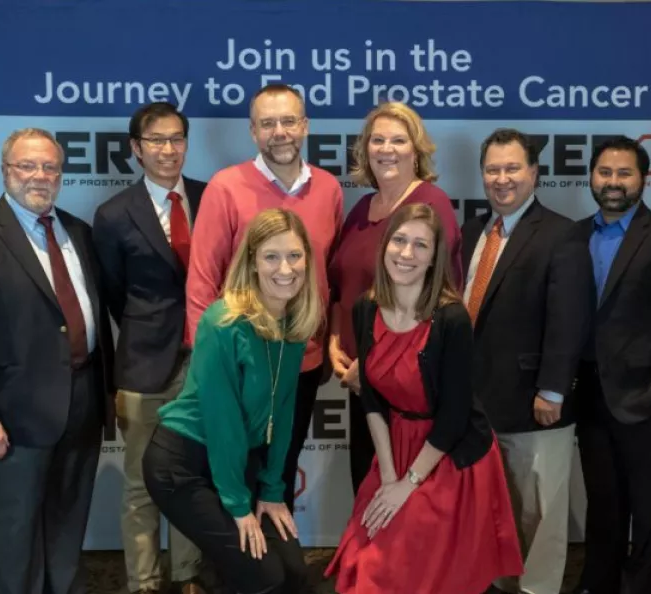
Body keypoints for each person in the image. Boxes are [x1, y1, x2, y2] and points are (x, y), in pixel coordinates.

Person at [0, 128, 114, 594]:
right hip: (10, 419)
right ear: (5, 172)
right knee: (13, 536)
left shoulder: (79, 232)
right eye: (27, 166)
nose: (39, 176)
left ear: (60, 174)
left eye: (49, 167)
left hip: (83, 404)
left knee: (68, 524)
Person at [324, 203, 523, 594]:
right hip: (394, 447)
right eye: (399, 240)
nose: (406, 253)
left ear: (435, 258)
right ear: (384, 246)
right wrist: (387, 476)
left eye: (420, 245)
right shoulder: (366, 308)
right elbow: (372, 400)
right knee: (365, 557)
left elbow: (454, 414)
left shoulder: (451, 318)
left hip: (449, 453)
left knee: (410, 561)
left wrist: (408, 484)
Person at [143, 208, 322, 594]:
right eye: (271, 257)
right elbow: (223, 422)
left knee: (294, 573)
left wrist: (273, 489)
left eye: (294, 255)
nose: (285, 268)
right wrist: (239, 506)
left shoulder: (295, 320)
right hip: (183, 464)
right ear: (253, 263)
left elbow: (284, 411)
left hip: (239, 461)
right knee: (263, 576)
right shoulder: (223, 322)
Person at [185, 83, 343, 511]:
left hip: (302, 360)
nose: (280, 131)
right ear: (253, 132)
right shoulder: (225, 187)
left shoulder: (329, 189)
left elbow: (328, 278)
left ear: (305, 126)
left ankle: (275, 568)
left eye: (288, 120)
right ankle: (241, 572)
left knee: (282, 469)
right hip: (240, 363)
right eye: (268, 123)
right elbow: (202, 283)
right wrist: (208, 366)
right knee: (237, 470)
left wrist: (327, 345)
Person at [461, 129, 592, 594]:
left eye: (512, 168)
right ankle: (501, 583)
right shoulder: (474, 230)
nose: (502, 179)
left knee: (540, 513)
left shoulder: (562, 235)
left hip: (536, 404)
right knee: (496, 507)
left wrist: (552, 390)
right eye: (493, 169)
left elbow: (569, 319)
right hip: (478, 402)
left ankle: (537, 588)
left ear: (534, 173)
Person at [569, 136, 651, 594]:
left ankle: (641, 586)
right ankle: (599, 582)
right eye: (605, 172)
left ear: (643, 178)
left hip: (646, 396)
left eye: (624, 173)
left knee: (647, 504)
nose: (613, 182)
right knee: (603, 500)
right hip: (589, 394)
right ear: (591, 177)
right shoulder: (574, 235)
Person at [92, 102, 205, 594]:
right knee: (141, 485)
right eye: (156, 140)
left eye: (176, 138)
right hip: (143, 366)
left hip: (204, 365)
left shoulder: (210, 197)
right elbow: (113, 293)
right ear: (136, 148)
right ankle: (144, 582)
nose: (168, 149)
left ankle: (188, 576)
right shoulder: (114, 215)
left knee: (189, 481)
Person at [328, 101, 463, 493]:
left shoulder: (430, 204)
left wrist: (370, 367)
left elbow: (430, 300)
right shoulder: (361, 208)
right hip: (357, 377)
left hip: (405, 381)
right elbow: (344, 284)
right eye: (377, 140)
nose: (386, 149)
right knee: (367, 485)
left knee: (404, 494)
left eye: (398, 140)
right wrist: (337, 340)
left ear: (416, 150)